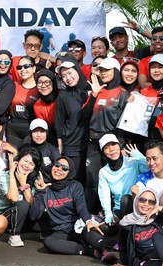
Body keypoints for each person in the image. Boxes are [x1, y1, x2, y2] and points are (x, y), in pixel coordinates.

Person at [29, 156, 112, 260]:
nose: (59, 169)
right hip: (61, 232)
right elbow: (34, 216)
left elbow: (81, 207)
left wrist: (87, 221)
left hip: (78, 226)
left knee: (90, 230)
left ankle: (106, 250)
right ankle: (91, 251)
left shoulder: (75, 186)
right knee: (49, 242)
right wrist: (39, 192)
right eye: (57, 165)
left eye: (64, 168)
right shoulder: (46, 190)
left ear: (70, 172)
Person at [83, 56, 129, 210]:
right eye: (101, 70)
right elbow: (84, 115)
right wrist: (94, 95)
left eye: (107, 70)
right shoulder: (97, 91)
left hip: (111, 144)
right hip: (93, 143)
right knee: (92, 181)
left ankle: (112, 214)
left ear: (115, 71)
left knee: (113, 181)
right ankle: (88, 216)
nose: (103, 73)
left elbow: (124, 123)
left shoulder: (123, 93)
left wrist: (120, 145)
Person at [0, 148, 42, 247]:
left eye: (31, 164)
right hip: (5, 216)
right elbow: (13, 198)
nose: (27, 165)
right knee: (22, 203)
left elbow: (32, 203)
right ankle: (14, 235)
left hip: (23, 217)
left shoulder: (35, 179)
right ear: (18, 160)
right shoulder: (5, 176)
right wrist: (12, 173)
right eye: (25, 161)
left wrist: (23, 182)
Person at [97, 134, 149, 224]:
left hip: (139, 205)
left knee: (125, 199)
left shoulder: (132, 161)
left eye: (113, 144)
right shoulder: (103, 172)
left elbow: (152, 169)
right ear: (103, 153)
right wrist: (108, 214)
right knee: (105, 227)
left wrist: (141, 158)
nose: (111, 149)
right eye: (106, 148)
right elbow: (104, 195)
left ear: (119, 146)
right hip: (119, 209)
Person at [54, 58, 89, 183]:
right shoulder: (63, 96)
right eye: (63, 76)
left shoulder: (91, 90)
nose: (68, 78)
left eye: (69, 73)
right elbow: (59, 122)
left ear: (77, 70)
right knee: (75, 181)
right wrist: (60, 147)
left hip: (91, 146)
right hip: (72, 147)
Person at [6, 55, 38, 149]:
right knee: (14, 156)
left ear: (34, 68)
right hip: (12, 128)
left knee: (28, 156)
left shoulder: (40, 88)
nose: (22, 69)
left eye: (26, 66)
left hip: (31, 128)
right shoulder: (13, 85)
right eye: (19, 67)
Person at [34, 70, 59, 146]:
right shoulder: (37, 105)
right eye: (40, 82)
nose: (43, 85)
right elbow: (45, 128)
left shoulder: (62, 98)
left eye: (47, 82)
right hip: (52, 138)